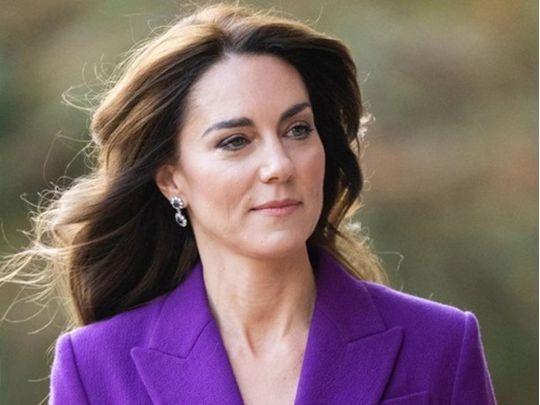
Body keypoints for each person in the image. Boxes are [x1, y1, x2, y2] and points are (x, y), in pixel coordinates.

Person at [3, 3, 496, 404]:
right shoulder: (96, 368)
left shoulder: (440, 345)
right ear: (171, 178)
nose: (279, 165)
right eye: (235, 141)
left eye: (297, 130)